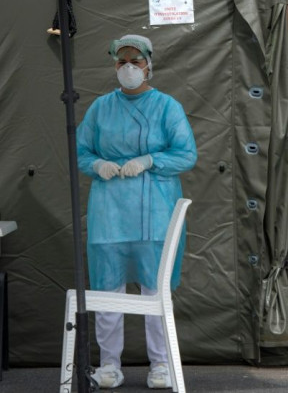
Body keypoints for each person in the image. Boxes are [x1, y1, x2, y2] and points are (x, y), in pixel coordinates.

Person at [77, 34, 197, 388]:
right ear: (114, 65)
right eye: (121, 62)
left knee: (154, 292)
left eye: (136, 61)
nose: (128, 68)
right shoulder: (100, 108)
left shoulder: (166, 107)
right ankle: (109, 365)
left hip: (154, 213)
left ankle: (161, 365)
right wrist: (97, 164)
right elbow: (81, 152)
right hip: (109, 214)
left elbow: (186, 154)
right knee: (107, 292)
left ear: (149, 65)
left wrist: (150, 160)